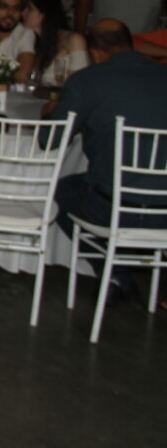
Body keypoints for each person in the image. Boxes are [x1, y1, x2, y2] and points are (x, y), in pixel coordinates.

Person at [44, 19, 167, 302]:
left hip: (112, 209)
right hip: (165, 211)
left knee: (59, 192)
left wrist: (51, 110)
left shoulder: (88, 80)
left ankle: (113, 271)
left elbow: (50, 140)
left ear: (95, 53)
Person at [21, 0, 88, 86]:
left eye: (30, 9)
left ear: (45, 14)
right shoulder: (34, 42)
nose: (23, 13)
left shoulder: (74, 40)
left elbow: (80, 83)